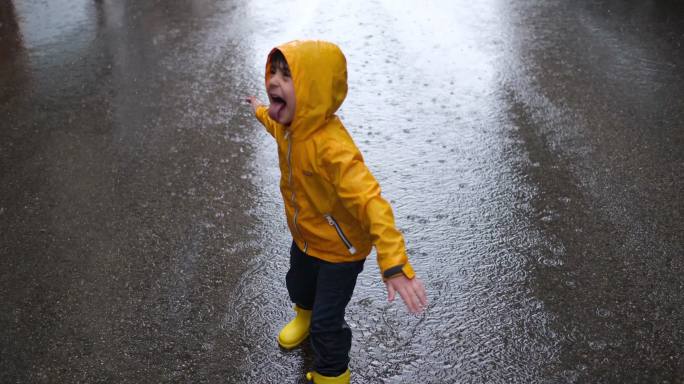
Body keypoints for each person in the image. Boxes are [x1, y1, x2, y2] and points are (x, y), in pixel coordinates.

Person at [245, 40, 427, 384]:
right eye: (274, 72)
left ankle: (332, 374)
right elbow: (273, 126)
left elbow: (372, 202)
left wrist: (394, 263)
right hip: (306, 237)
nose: (273, 81)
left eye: (288, 76)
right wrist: (258, 109)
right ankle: (304, 315)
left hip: (340, 252)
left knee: (329, 322)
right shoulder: (288, 127)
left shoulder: (333, 148)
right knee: (297, 285)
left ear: (313, 90)